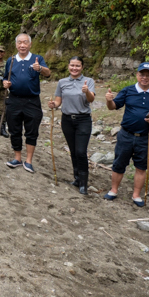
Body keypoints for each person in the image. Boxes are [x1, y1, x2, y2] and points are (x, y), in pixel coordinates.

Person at [104, 62, 149, 206]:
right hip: (126, 135)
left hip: (146, 137)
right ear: (137, 75)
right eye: (142, 74)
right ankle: (113, 190)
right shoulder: (128, 90)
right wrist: (109, 100)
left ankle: (136, 195)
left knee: (141, 167)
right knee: (119, 163)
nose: (145, 78)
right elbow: (113, 107)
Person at [3, 33, 51, 173]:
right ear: (16, 44)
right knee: (14, 129)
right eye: (19, 42)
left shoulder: (37, 59)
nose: (22, 45)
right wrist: (5, 83)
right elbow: (6, 77)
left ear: (30, 44)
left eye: (25, 42)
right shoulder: (11, 60)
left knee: (32, 130)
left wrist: (40, 68)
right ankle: (17, 158)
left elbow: (48, 73)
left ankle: (28, 160)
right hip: (14, 99)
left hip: (32, 101)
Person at [48, 57, 96, 194]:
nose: (74, 68)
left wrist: (86, 91)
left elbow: (91, 99)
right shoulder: (62, 82)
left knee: (81, 151)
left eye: (77, 66)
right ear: (68, 66)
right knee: (73, 150)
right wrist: (54, 105)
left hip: (83, 119)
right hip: (67, 120)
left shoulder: (89, 81)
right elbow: (58, 101)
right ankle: (76, 178)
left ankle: (83, 183)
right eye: (72, 65)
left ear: (82, 67)